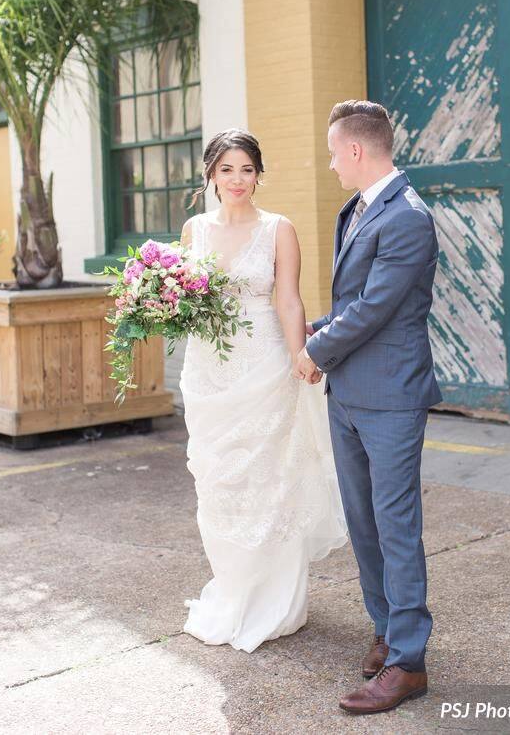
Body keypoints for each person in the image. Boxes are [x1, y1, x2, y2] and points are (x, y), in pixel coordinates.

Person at [297, 100, 442, 715]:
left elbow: (377, 308)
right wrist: (312, 329)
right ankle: (385, 630)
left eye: (333, 153)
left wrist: (314, 349)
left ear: (356, 150)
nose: (331, 165)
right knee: (363, 521)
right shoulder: (354, 210)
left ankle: (409, 663)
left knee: (396, 525)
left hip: (392, 398)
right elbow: (351, 300)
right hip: (349, 395)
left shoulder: (408, 217)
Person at [179, 128, 347, 653]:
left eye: (247, 169)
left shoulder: (280, 229)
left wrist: (303, 355)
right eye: (226, 169)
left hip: (265, 366)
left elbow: (290, 301)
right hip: (208, 370)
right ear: (210, 175)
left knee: (272, 478)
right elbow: (185, 297)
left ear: (258, 175)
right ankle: (233, 590)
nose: (237, 180)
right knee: (219, 482)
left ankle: (276, 600)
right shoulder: (193, 231)